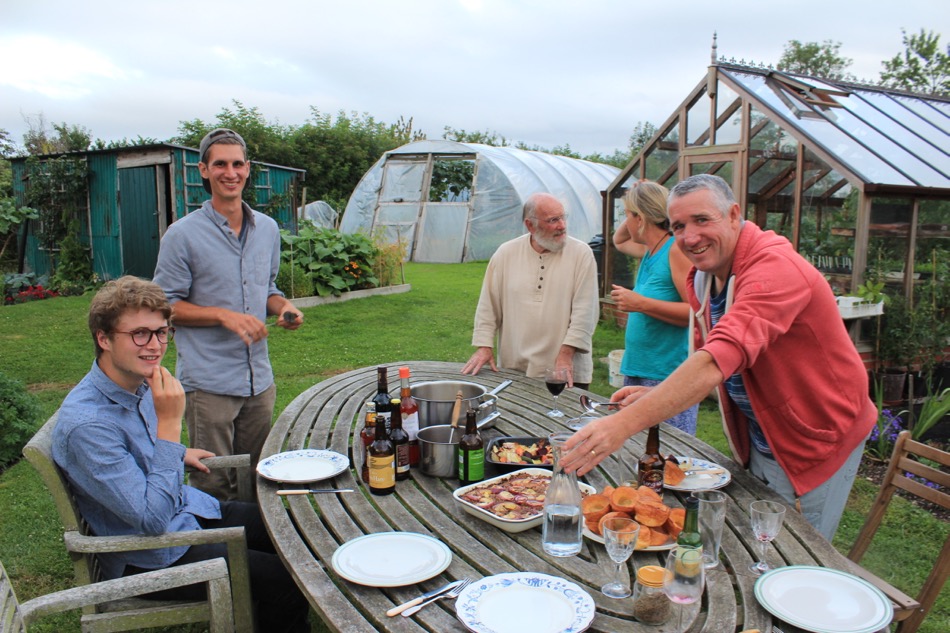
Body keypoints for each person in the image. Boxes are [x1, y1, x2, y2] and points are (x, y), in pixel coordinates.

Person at [563, 174, 875, 540]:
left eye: (701, 220)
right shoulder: (706, 277)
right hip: (763, 432)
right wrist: (660, 393)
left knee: (794, 550)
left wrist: (619, 426)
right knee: (757, 537)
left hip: (814, 438)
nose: (690, 237)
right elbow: (713, 360)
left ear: (733, 214)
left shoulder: (774, 271)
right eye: (678, 225)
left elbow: (717, 357)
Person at [52, 276, 309, 632]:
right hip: (152, 555)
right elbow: (152, 522)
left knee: (295, 529)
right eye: (140, 333)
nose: (155, 345)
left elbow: (136, 455)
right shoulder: (88, 425)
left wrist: (176, 452)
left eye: (161, 332)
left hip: (186, 511)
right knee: (288, 580)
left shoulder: (132, 381)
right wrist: (170, 429)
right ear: (104, 339)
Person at [153, 128, 303, 501]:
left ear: (248, 169)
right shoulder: (182, 235)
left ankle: (257, 551)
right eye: (220, 164)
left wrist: (283, 307)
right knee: (214, 482)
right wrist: (223, 315)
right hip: (209, 383)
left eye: (237, 164)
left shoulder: (267, 229)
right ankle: (217, 554)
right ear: (204, 170)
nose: (230, 172)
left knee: (259, 475)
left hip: (259, 380)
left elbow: (267, 288)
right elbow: (164, 306)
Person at [461, 192, 599, 389]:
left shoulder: (581, 254)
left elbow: (585, 312)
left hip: (564, 371)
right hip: (515, 368)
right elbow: (488, 306)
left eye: (562, 217)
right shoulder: (505, 253)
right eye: (553, 220)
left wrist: (566, 356)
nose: (562, 225)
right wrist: (484, 346)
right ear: (530, 225)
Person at [610, 180, 697, 434]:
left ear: (641, 218)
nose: (625, 222)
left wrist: (641, 303)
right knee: (639, 451)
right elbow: (619, 239)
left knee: (667, 456)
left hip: (665, 375)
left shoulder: (675, 251)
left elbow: (694, 313)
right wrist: (639, 196)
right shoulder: (650, 249)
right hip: (639, 369)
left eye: (627, 215)